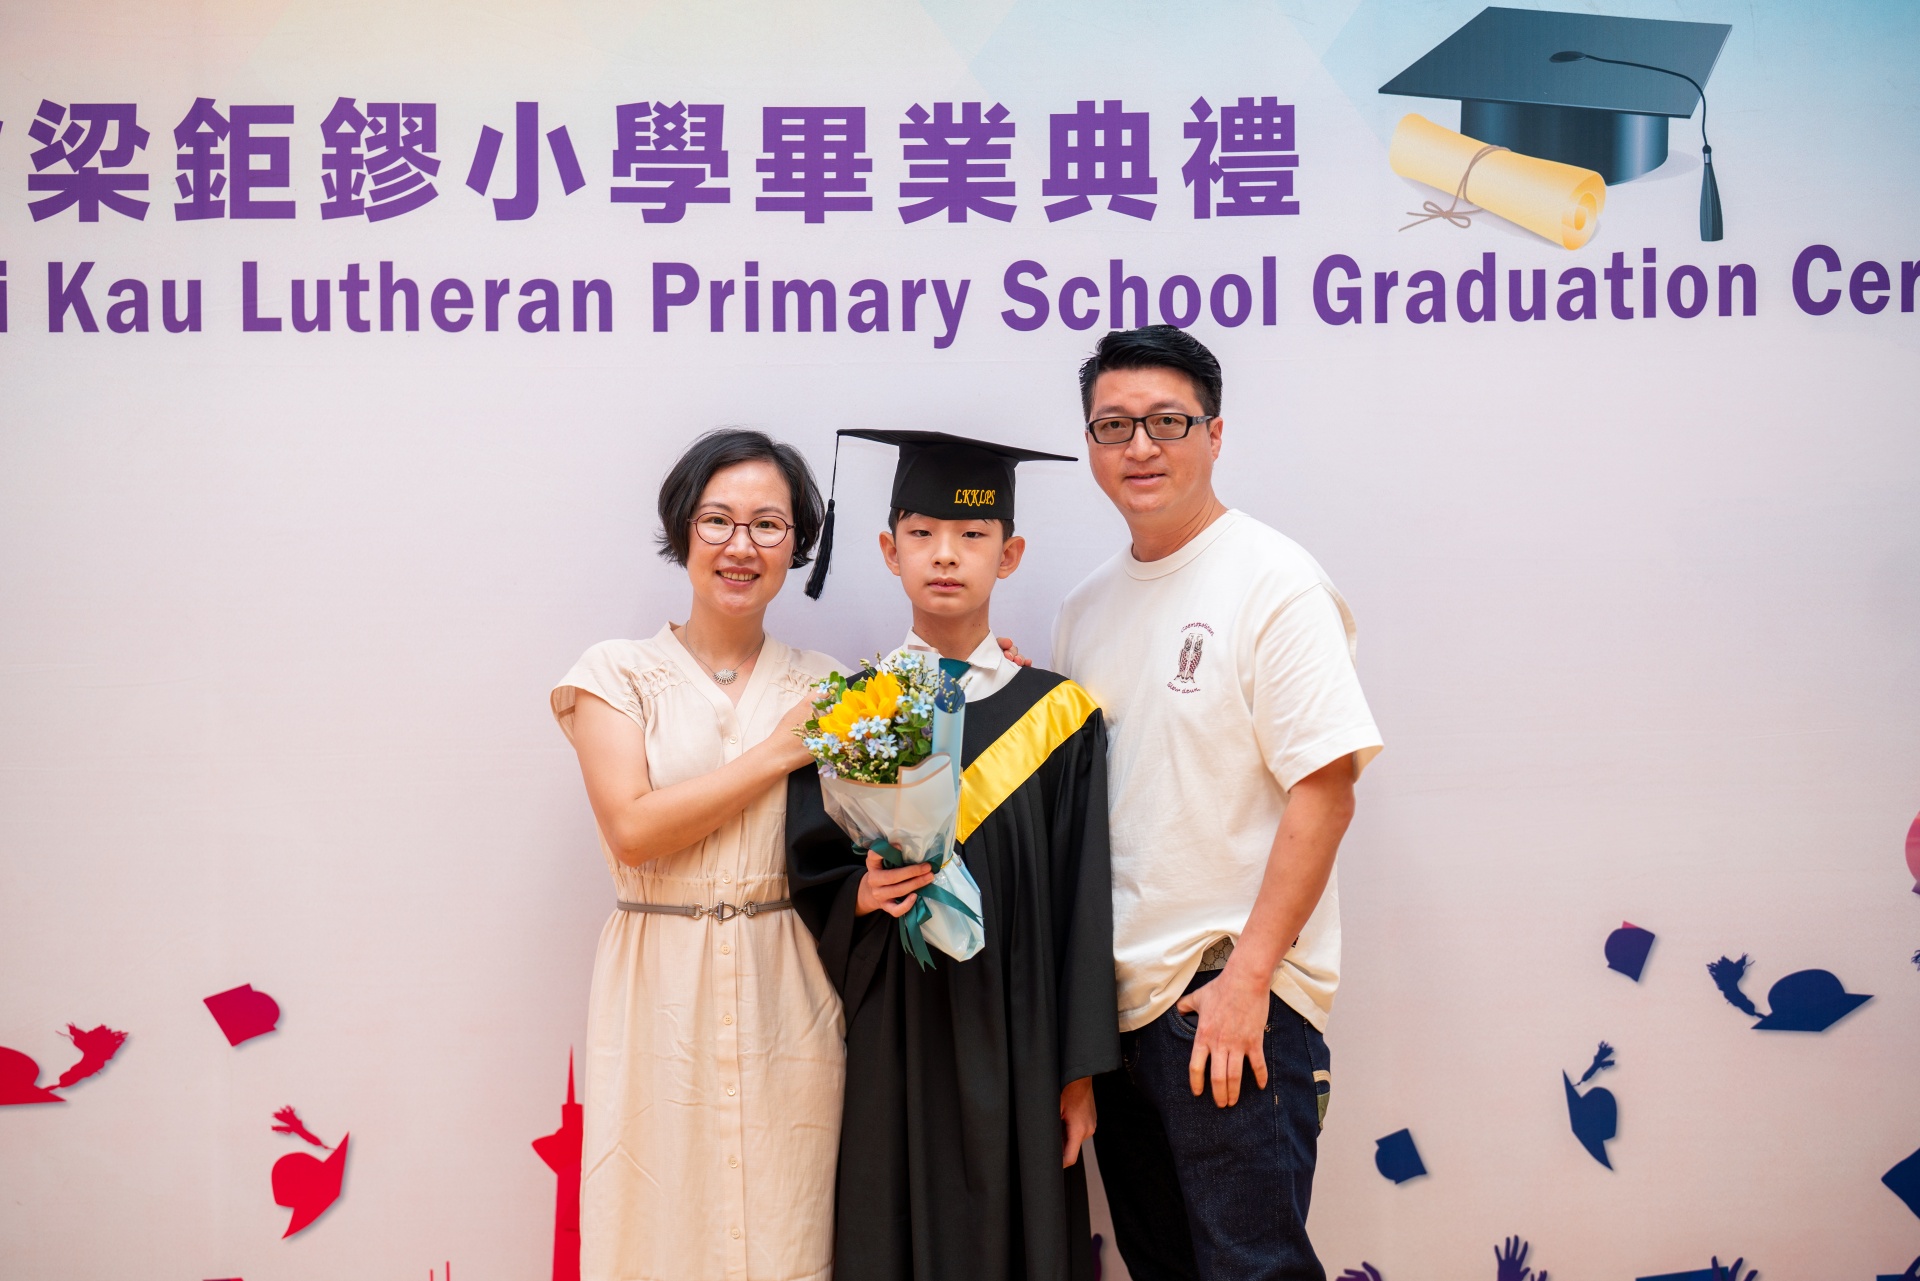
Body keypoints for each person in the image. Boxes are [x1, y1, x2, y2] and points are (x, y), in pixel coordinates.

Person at [1052, 328, 1385, 1281]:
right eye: (1113, 426)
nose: (1140, 446)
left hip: (1228, 1000)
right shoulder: (1084, 610)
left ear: (1215, 433)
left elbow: (1326, 790)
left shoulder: (1274, 580)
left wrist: (1247, 982)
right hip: (1121, 1019)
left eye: (1167, 421)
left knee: (1254, 1269)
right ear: (1090, 443)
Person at [786, 429, 1120, 1281]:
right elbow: (811, 871)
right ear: (888, 549)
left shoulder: (1058, 714)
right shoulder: (853, 712)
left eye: (972, 536)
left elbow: (1085, 899)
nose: (945, 554)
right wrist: (861, 897)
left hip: (1023, 1037)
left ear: (1009, 555)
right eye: (923, 533)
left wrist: (1079, 1071)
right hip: (898, 1032)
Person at [549, 429, 845, 1281]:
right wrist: (778, 753)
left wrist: (981, 677)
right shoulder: (616, 673)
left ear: (796, 543)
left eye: (768, 525)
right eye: (717, 520)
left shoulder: (830, 683)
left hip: (789, 982)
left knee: (789, 1212)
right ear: (683, 529)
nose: (740, 545)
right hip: (660, 978)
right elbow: (633, 828)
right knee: (657, 1219)